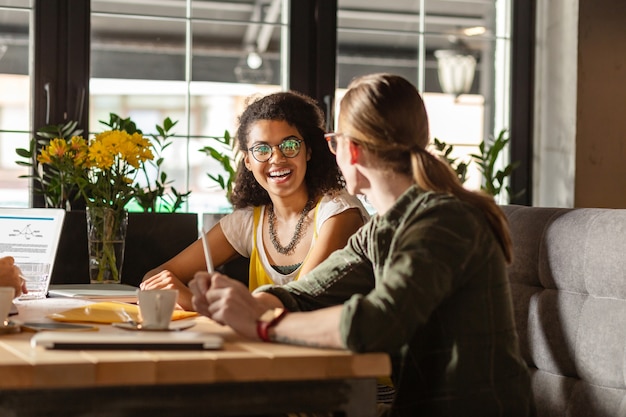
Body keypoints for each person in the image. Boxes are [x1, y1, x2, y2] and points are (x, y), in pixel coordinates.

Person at [189, 73, 534, 416]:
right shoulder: (384, 227)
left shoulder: (443, 221)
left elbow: (378, 322)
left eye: (334, 141)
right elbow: (309, 292)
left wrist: (264, 325)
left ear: (351, 150)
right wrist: (245, 306)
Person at [142, 91, 369, 311]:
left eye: (289, 145)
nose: (277, 158)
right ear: (248, 161)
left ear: (308, 151)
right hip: (263, 346)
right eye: (262, 149)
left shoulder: (339, 213)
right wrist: (168, 287)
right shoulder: (248, 221)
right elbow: (156, 276)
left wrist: (196, 301)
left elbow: (297, 301)